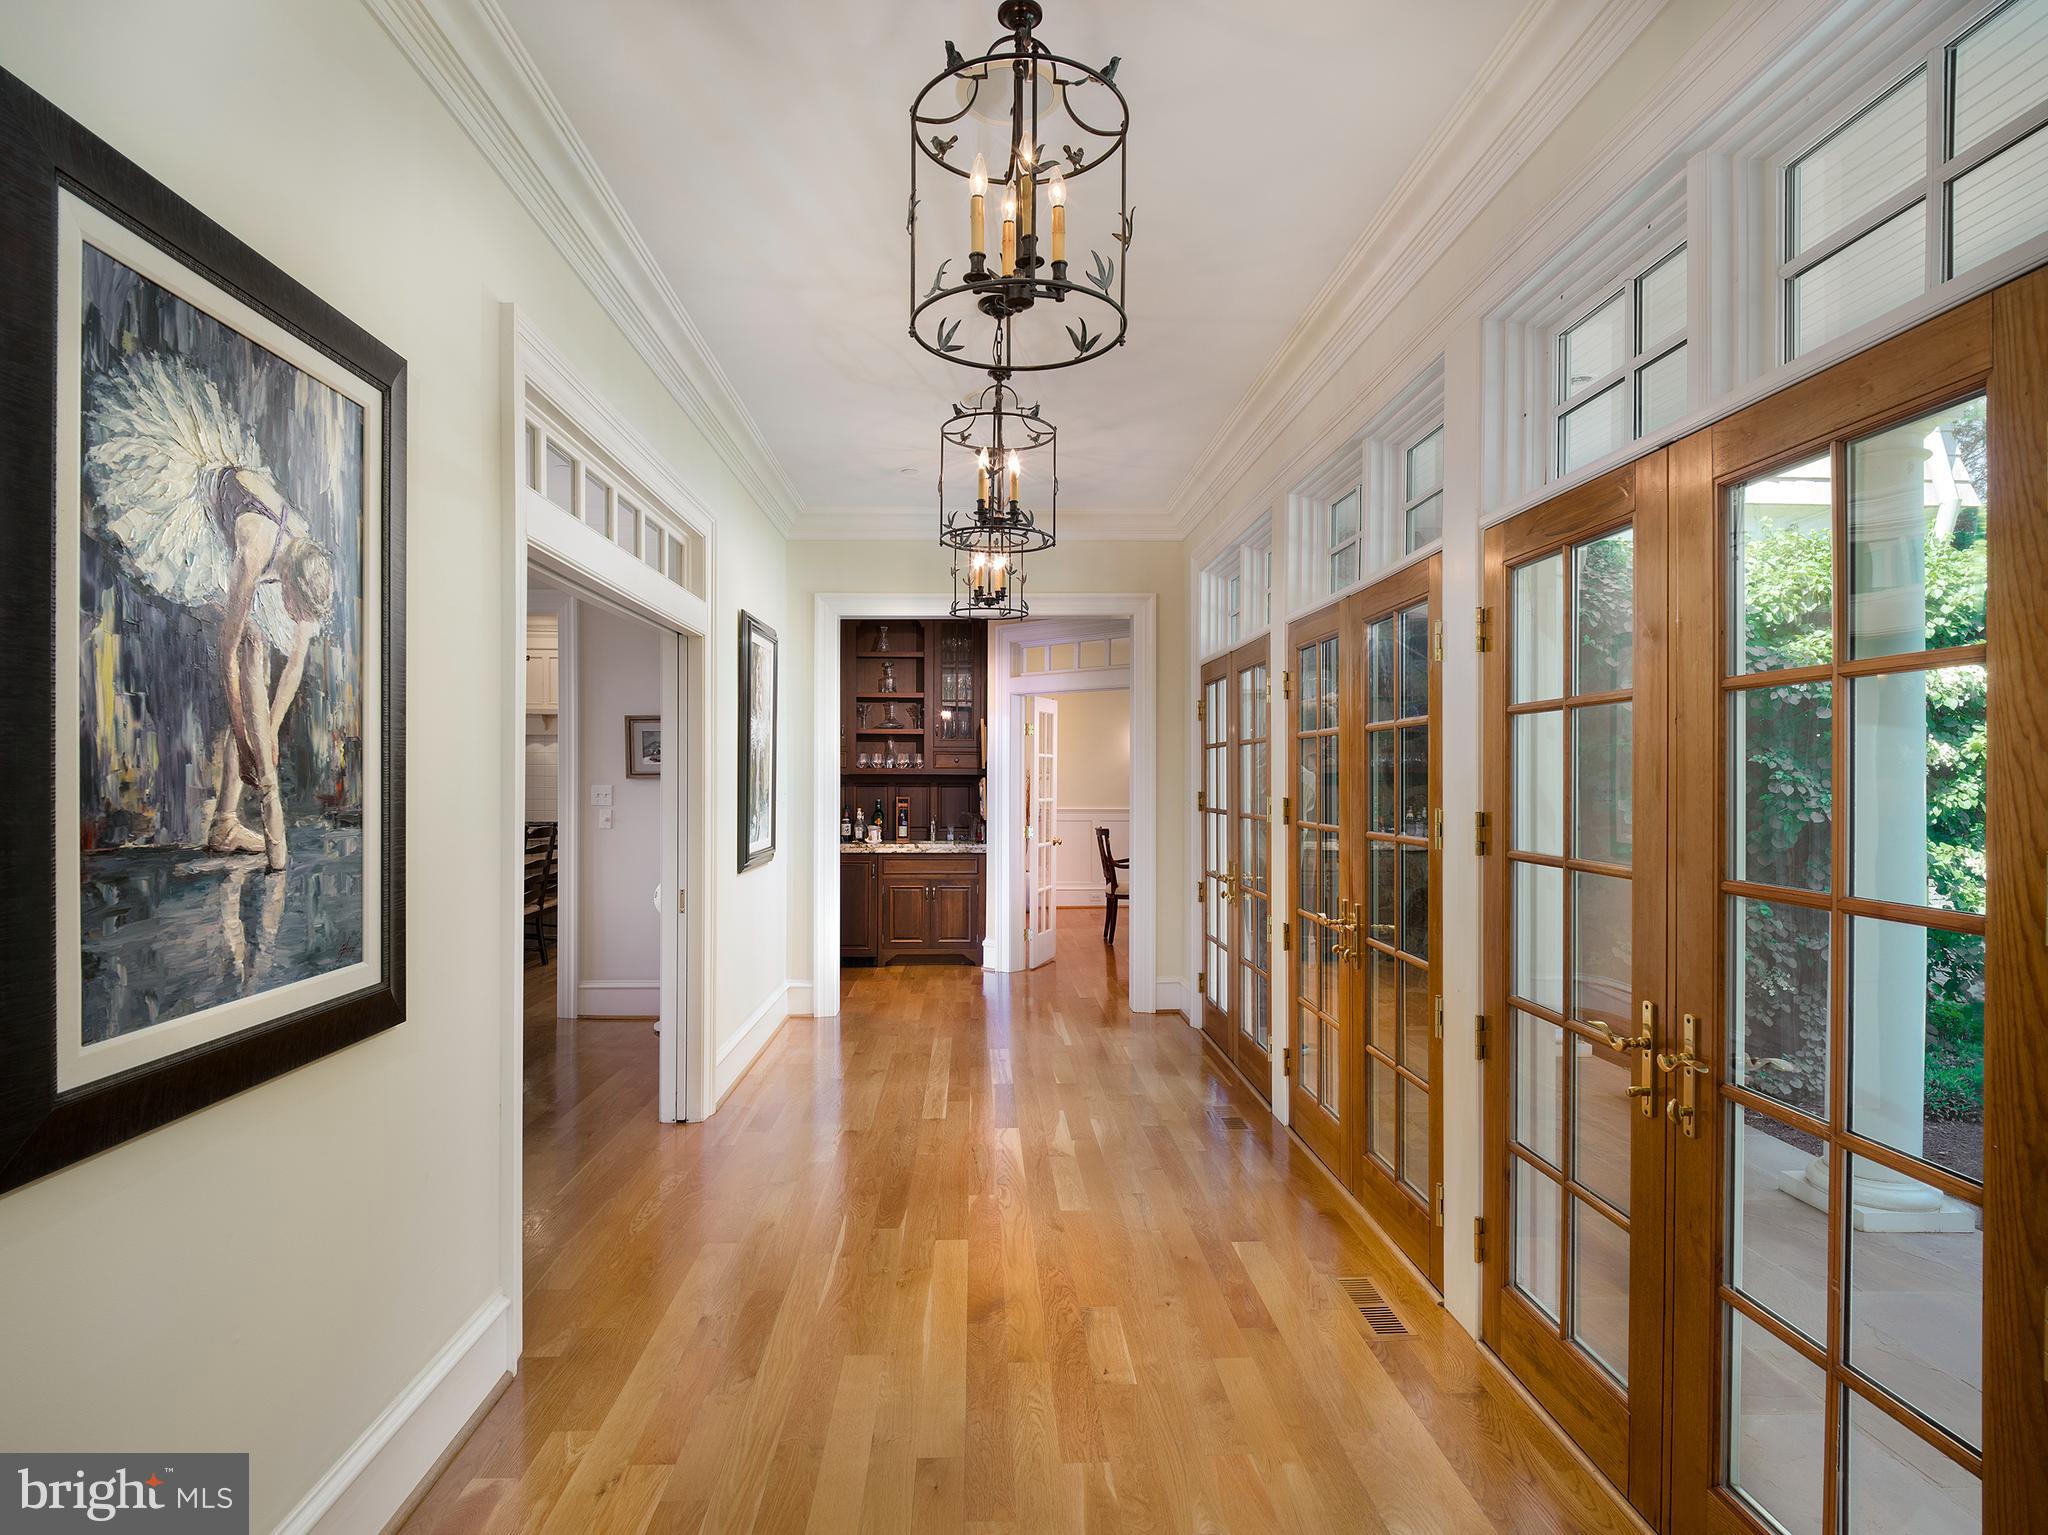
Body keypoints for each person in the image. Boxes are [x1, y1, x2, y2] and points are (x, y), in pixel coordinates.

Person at [87, 354, 337, 873]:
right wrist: (246, 742)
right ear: (288, 583)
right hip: (199, 506)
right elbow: (224, 654)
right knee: (250, 647)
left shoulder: (306, 559)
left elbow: (296, 664)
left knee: (264, 661)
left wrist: (269, 732)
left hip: (252, 526)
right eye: (294, 605)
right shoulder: (255, 544)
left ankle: (229, 820)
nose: (294, 615)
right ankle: (242, 816)